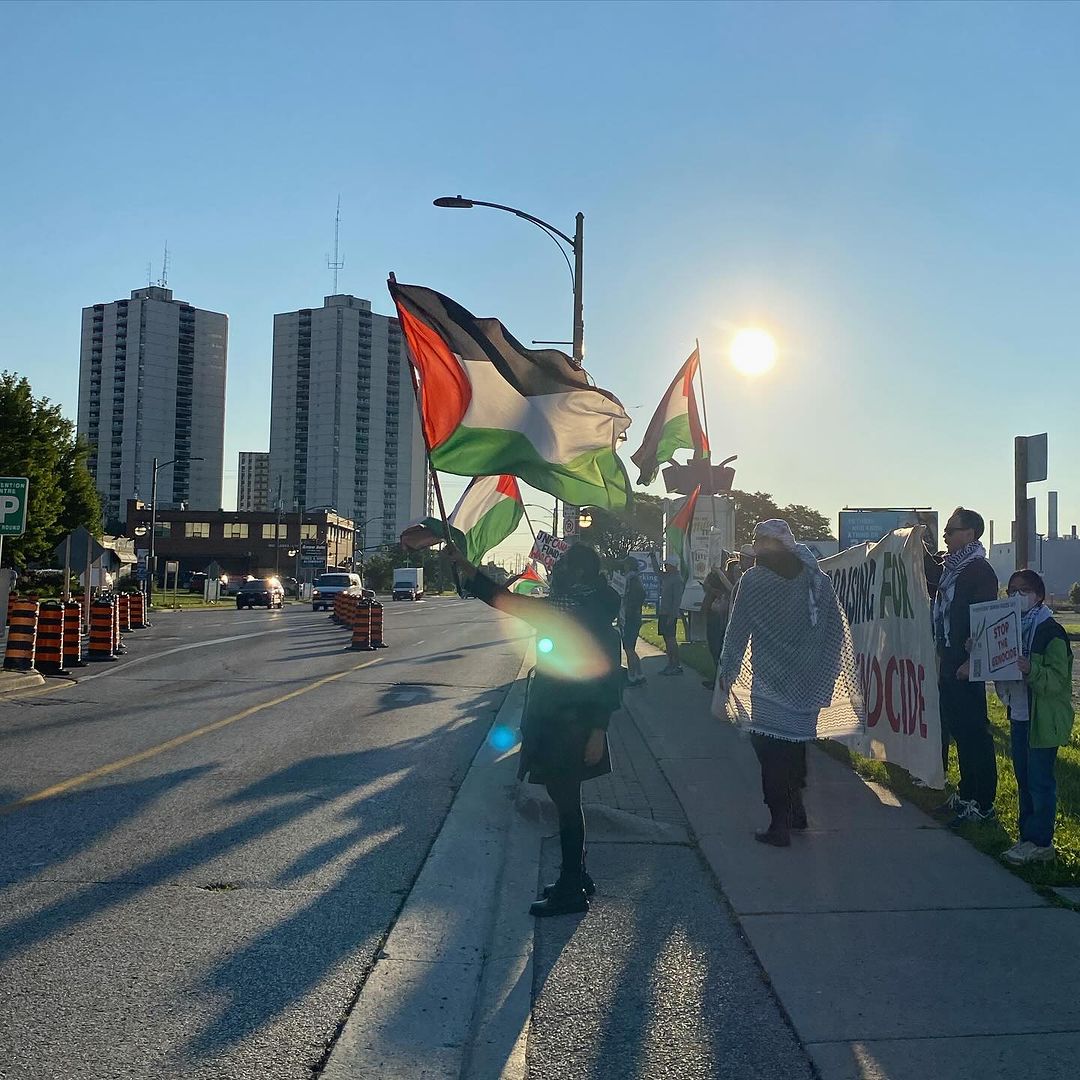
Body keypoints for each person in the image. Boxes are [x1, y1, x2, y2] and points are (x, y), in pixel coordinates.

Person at [448, 542, 622, 916]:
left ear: (578, 575)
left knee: (566, 804)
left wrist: (597, 730)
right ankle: (578, 875)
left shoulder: (572, 614)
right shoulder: (586, 610)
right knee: (566, 801)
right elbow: (505, 600)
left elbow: (608, 683)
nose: (556, 574)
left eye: (564, 569)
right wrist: (466, 567)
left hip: (569, 724)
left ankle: (571, 888)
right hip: (563, 720)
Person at [717, 519, 862, 847]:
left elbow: (738, 628)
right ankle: (795, 806)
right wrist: (827, 672)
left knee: (769, 749)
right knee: (795, 743)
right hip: (809, 679)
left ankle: (779, 821)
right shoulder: (817, 580)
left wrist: (728, 667)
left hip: (769, 681)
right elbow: (836, 630)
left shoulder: (753, 580)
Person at [990, 570, 1074, 864]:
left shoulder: (1050, 632)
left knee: (1040, 781)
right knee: (1024, 779)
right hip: (1020, 714)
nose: (1016, 596)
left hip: (1042, 719)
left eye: (1022, 591)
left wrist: (1031, 670)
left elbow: (1056, 681)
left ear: (1038, 595)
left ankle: (1042, 842)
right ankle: (1026, 837)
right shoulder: (1010, 628)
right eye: (1011, 591)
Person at [933, 507, 999, 826]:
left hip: (966, 668)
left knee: (974, 733)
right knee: (959, 731)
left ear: (970, 533)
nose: (945, 536)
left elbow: (986, 621)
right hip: (948, 663)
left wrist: (970, 663)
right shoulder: (951, 570)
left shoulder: (979, 571)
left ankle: (982, 802)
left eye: (951, 530)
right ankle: (966, 793)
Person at [700, 557, 735, 687]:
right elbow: (705, 586)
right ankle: (716, 678)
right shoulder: (713, 576)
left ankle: (720, 679)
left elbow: (729, 590)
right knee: (713, 647)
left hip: (719, 616)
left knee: (717, 648)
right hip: (712, 613)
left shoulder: (727, 578)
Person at [620, 556, 646, 687]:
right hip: (631, 617)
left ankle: (632, 677)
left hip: (631, 618)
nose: (623, 567)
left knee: (629, 648)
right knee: (631, 648)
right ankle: (639, 674)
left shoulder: (632, 581)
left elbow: (639, 596)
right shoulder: (632, 579)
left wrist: (630, 608)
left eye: (625, 565)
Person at [657, 558, 685, 675]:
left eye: (667, 565)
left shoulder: (677, 580)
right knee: (666, 639)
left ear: (673, 566)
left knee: (671, 640)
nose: (665, 567)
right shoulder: (667, 577)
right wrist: (653, 558)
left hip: (669, 614)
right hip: (663, 612)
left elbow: (676, 600)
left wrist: (673, 616)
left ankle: (676, 664)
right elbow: (657, 572)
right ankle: (670, 663)